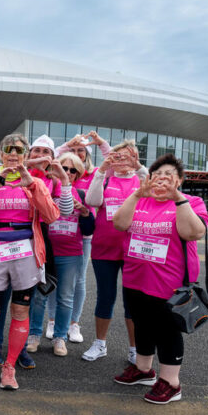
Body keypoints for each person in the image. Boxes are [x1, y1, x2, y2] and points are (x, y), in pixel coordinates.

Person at [111, 153, 208, 404]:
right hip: (135, 277)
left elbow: (193, 232)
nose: (162, 180)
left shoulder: (191, 202)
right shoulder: (140, 201)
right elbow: (120, 224)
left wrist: (178, 199)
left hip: (169, 282)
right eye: (158, 175)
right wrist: (135, 195)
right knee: (141, 324)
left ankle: (171, 383)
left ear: (180, 181)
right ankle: (143, 370)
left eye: (169, 176)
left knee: (167, 330)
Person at [0, 134, 59, 390]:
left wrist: (32, 186)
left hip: (25, 250)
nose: (13, 154)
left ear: (26, 154)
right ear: (1, 154)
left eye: (19, 150)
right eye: (8, 149)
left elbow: (51, 216)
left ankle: (9, 365)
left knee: (20, 311)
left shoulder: (35, 181)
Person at [82, 140, 148, 364]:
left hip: (135, 250)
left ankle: (134, 348)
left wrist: (138, 167)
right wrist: (101, 171)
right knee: (105, 297)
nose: (121, 160)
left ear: (135, 157)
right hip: (104, 248)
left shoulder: (141, 179)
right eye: (117, 156)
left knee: (132, 301)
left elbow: (158, 190)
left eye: (126, 156)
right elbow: (91, 201)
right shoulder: (106, 179)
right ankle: (100, 344)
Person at [52, 131, 111, 343]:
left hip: (82, 236)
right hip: (56, 234)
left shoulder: (91, 174)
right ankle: (52, 320)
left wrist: (103, 144)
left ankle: (73, 323)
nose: (77, 154)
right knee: (52, 279)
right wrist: (66, 145)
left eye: (81, 151)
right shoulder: (58, 175)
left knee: (78, 280)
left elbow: (111, 162)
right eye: (72, 151)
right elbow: (52, 159)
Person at [24, 135, 73, 356]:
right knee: (28, 293)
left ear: (53, 157)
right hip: (20, 235)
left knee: (51, 291)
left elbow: (64, 211)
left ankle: (58, 337)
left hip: (45, 236)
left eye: (46, 152)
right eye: (36, 151)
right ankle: (32, 333)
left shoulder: (53, 180)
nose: (40, 156)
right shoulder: (19, 173)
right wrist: (27, 165)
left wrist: (64, 181)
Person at [42, 152, 94, 356]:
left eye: (74, 170)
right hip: (46, 250)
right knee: (41, 295)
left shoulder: (81, 194)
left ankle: (60, 337)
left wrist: (85, 213)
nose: (69, 173)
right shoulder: (46, 189)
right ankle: (41, 330)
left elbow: (90, 229)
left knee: (65, 296)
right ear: (55, 168)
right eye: (64, 168)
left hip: (71, 252)